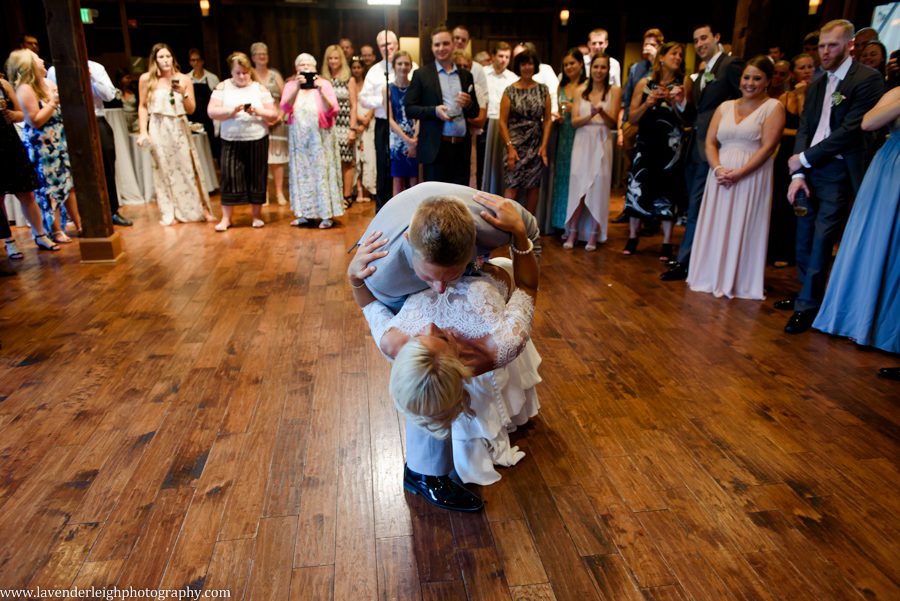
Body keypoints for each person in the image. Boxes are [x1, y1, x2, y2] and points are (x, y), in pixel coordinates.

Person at [347, 182, 542, 511]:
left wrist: (520, 234)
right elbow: (528, 287)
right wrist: (356, 276)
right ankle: (426, 473)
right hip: (402, 263)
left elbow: (369, 308)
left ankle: (424, 472)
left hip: (468, 258)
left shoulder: (394, 341)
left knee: (426, 385)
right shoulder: (383, 273)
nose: (433, 324)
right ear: (465, 370)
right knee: (426, 391)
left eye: (421, 339)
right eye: (442, 338)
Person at [781, 20, 884, 334]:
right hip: (808, 170)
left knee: (823, 238)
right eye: (822, 46)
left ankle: (808, 306)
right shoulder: (816, 83)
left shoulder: (867, 79)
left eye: (833, 45)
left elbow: (850, 131)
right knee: (803, 237)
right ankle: (806, 294)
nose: (825, 52)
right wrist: (798, 171)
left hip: (838, 170)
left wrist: (805, 158)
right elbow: (805, 129)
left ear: (850, 45)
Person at [686, 57, 786, 299]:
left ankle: (738, 278)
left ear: (768, 82)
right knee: (716, 222)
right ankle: (709, 274)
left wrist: (740, 173)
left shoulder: (773, 107)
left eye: (757, 78)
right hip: (720, 174)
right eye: (747, 77)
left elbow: (768, 147)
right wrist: (718, 168)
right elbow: (710, 141)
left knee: (744, 222)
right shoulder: (725, 107)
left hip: (751, 175)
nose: (750, 83)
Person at [812, 87, 899, 352]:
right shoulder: (896, 93)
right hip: (892, 169)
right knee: (877, 242)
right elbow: (869, 122)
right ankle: (863, 320)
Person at [661, 24, 743, 280]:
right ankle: (690, 259)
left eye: (704, 38)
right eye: (695, 40)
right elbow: (695, 114)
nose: (699, 44)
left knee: (703, 205)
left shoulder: (730, 66)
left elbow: (743, 101)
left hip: (719, 147)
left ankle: (690, 261)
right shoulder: (702, 73)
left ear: (717, 38)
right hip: (696, 146)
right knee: (694, 205)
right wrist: (681, 101)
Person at [47, 58, 132, 227]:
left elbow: (108, 96)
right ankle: (79, 215)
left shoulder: (96, 67)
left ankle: (112, 211)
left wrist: (92, 77)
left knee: (107, 163)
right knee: (75, 169)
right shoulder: (54, 71)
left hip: (97, 118)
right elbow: (54, 97)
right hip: (70, 122)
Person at [8, 49, 82, 242]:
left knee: (69, 184)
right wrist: (53, 103)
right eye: (36, 58)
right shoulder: (25, 89)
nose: (41, 60)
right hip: (43, 145)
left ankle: (80, 224)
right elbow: (34, 121)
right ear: (28, 65)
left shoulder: (48, 83)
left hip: (59, 140)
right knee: (49, 187)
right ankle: (55, 229)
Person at [137, 43, 214, 226]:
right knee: (163, 168)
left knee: (187, 167)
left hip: (179, 124)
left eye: (168, 56)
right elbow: (143, 106)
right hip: (158, 125)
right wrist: (143, 131)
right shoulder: (147, 79)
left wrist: (184, 94)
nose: (165, 60)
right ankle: (169, 210)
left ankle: (199, 209)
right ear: (155, 60)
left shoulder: (183, 79)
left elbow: (192, 109)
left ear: (173, 58)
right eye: (161, 57)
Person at [622, 42, 686, 259]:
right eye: (673, 53)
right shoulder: (644, 83)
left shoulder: (682, 84)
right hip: (646, 143)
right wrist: (648, 103)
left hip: (670, 147)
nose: (677, 57)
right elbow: (632, 117)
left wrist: (675, 103)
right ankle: (633, 237)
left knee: (667, 190)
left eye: (680, 54)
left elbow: (686, 120)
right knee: (638, 185)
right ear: (662, 57)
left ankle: (667, 243)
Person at [207, 52, 276, 231]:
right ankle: (226, 218)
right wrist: (231, 111)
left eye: (245, 72)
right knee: (229, 177)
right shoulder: (222, 87)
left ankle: (256, 216)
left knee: (256, 176)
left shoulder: (259, 89)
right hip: (231, 139)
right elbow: (211, 111)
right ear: (231, 72)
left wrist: (257, 111)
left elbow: (273, 114)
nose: (242, 76)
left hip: (256, 138)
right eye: (238, 73)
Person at [405, 27, 479, 186]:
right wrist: (434, 111)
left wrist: (469, 103)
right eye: (437, 45)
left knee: (460, 199)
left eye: (445, 43)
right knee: (436, 200)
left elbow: (475, 112)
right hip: (436, 148)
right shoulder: (422, 74)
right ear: (432, 47)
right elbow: (409, 108)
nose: (441, 48)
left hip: (461, 148)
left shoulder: (466, 75)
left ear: (453, 45)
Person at [563, 54, 620, 251]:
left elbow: (613, 122)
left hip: (602, 140)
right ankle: (573, 231)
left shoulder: (614, 91)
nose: (599, 71)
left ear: (607, 70)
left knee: (598, 185)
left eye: (603, 67)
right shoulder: (581, 90)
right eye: (596, 67)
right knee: (579, 185)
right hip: (582, 140)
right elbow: (574, 121)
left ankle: (595, 233)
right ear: (591, 68)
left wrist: (602, 112)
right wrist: (592, 114)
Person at [281, 53, 343, 229]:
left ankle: (326, 214)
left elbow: (333, 109)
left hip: (320, 139)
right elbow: (285, 107)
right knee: (302, 174)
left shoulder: (324, 84)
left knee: (322, 173)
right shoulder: (291, 85)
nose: (305, 67)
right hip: (299, 141)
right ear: (296, 68)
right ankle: (304, 214)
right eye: (301, 64)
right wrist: (296, 88)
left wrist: (319, 90)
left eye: (309, 64)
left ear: (315, 68)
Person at [0, 70, 58, 254]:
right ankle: (9, 241)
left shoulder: (3, 85)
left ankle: (40, 234)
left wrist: (11, 114)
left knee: (26, 191)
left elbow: (21, 114)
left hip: (8, 141)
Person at [359, 30, 414, 209]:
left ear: (397, 45)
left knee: (410, 170)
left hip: (410, 125)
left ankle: (409, 209)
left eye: (390, 44)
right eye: (383, 45)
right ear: (378, 48)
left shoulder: (412, 67)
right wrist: (385, 101)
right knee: (384, 167)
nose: (387, 48)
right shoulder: (375, 71)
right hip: (384, 123)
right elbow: (364, 99)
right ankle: (383, 210)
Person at [770, 53, 816, 267]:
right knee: (781, 201)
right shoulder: (785, 98)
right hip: (786, 156)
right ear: (793, 73)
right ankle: (776, 249)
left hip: (809, 155)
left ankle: (795, 253)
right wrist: (799, 132)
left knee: (804, 203)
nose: (806, 71)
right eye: (802, 67)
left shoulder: (817, 96)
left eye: (810, 67)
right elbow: (778, 131)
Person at [498, 48, 550, 215]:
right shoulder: (510, 90)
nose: (527, 67)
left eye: (530, 63)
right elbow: (502, 122)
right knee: (512, 186)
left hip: (535, 144)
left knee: (533, 187)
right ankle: (506, 230)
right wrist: (510, 147)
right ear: (518, 66)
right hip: (514, 144)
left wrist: (544, 147)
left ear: (535, 66)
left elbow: (547, 120)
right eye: (523, 64)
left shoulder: (543, 90)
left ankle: (529, 232)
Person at [550, 48, 587, 233]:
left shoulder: (587, 86)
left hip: (581, 134)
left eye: (572, 63)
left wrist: (576, 108)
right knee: (563, 178)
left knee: (579, 179)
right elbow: (560, 109)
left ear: (581, 64)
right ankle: (561, 222)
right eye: (565, 65)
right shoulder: (561, 87)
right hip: (564, 134)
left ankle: (576, 226)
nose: (569, 67)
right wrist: (559, 116)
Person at [619, 29, 663, 181]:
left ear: (660, 47)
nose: (648, 47)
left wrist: (655, 60)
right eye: (646, 44)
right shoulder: (636, 68)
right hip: (633, 121)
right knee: (630, 166)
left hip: (653, 123)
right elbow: (627, 97)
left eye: (652, 44)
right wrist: (623, 127)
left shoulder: (662, 68)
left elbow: (658, 86)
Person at [452, 26, 489, 187]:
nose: (462, 70)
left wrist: (463, 118)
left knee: (469, 177)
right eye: (457, 67)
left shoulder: (476, 86)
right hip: (445, 141)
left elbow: (480, 119)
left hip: (470, 138)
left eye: (465, 67)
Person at [251, 42, 287, 206]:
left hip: (277, 121)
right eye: (258, 53)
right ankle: (263, 193)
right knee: (261, 159)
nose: (262, 56)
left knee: (277, 159)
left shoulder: (275, 75)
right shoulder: (250, 75)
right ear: (252, 57)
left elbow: (285, 97)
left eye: (264, 53)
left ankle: (279, 192)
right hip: (258, 122)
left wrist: (279, 116)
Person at [320, 44, 355, 206]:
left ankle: (347, 196)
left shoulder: (349, 79)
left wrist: (352, 129)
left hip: (344, 124)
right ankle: (334, 196)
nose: (333, 61)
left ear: (341, 59)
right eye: (330, 58)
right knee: (330, 161)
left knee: (346, 161)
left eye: (336, 58)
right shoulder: (322, 80)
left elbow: (354, 105)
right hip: (327, 126)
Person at [482, 42, 518, 195]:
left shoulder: (513, 78)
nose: (504, 60)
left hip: (504, 124)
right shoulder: (482, 73)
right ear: (493, 56)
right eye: (500, 56)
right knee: (483, 164)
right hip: (485, 122)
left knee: (499, 165)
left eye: (507, 57)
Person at [388, 51, 419, 195]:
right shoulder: (388, 89)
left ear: (411, 66)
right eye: (400, 63)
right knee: (398, 180)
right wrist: (406, 140)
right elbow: (390, 119)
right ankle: (397, 215)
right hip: (397, 138)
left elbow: (419, 115)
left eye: (406, 63)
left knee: (415, 179)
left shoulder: (416, 87)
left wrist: (414, 139)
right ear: (394, 66)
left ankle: (414, 215)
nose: (403, 67)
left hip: (415, 136)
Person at [349, 55, 375, 202]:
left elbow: (374, 103)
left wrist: (367, 119)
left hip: (368, 123)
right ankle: (358, 190)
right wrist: (358, 121)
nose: (357, 70)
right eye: (354, 67)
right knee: (357, 158)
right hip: (356, 122)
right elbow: (351, 104)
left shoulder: (367, 83)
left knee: (369, 157)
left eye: (359, 67)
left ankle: (368, 189)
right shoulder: (351, 82)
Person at [187, 48, 221, 157]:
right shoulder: (186, 79)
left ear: (202, 61)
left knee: (213, 149)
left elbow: (220, 98)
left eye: (198, 60)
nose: (196, 63)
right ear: (190, 62)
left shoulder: (212, 78)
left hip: (209, 118)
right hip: (193, 119)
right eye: (193, 60)